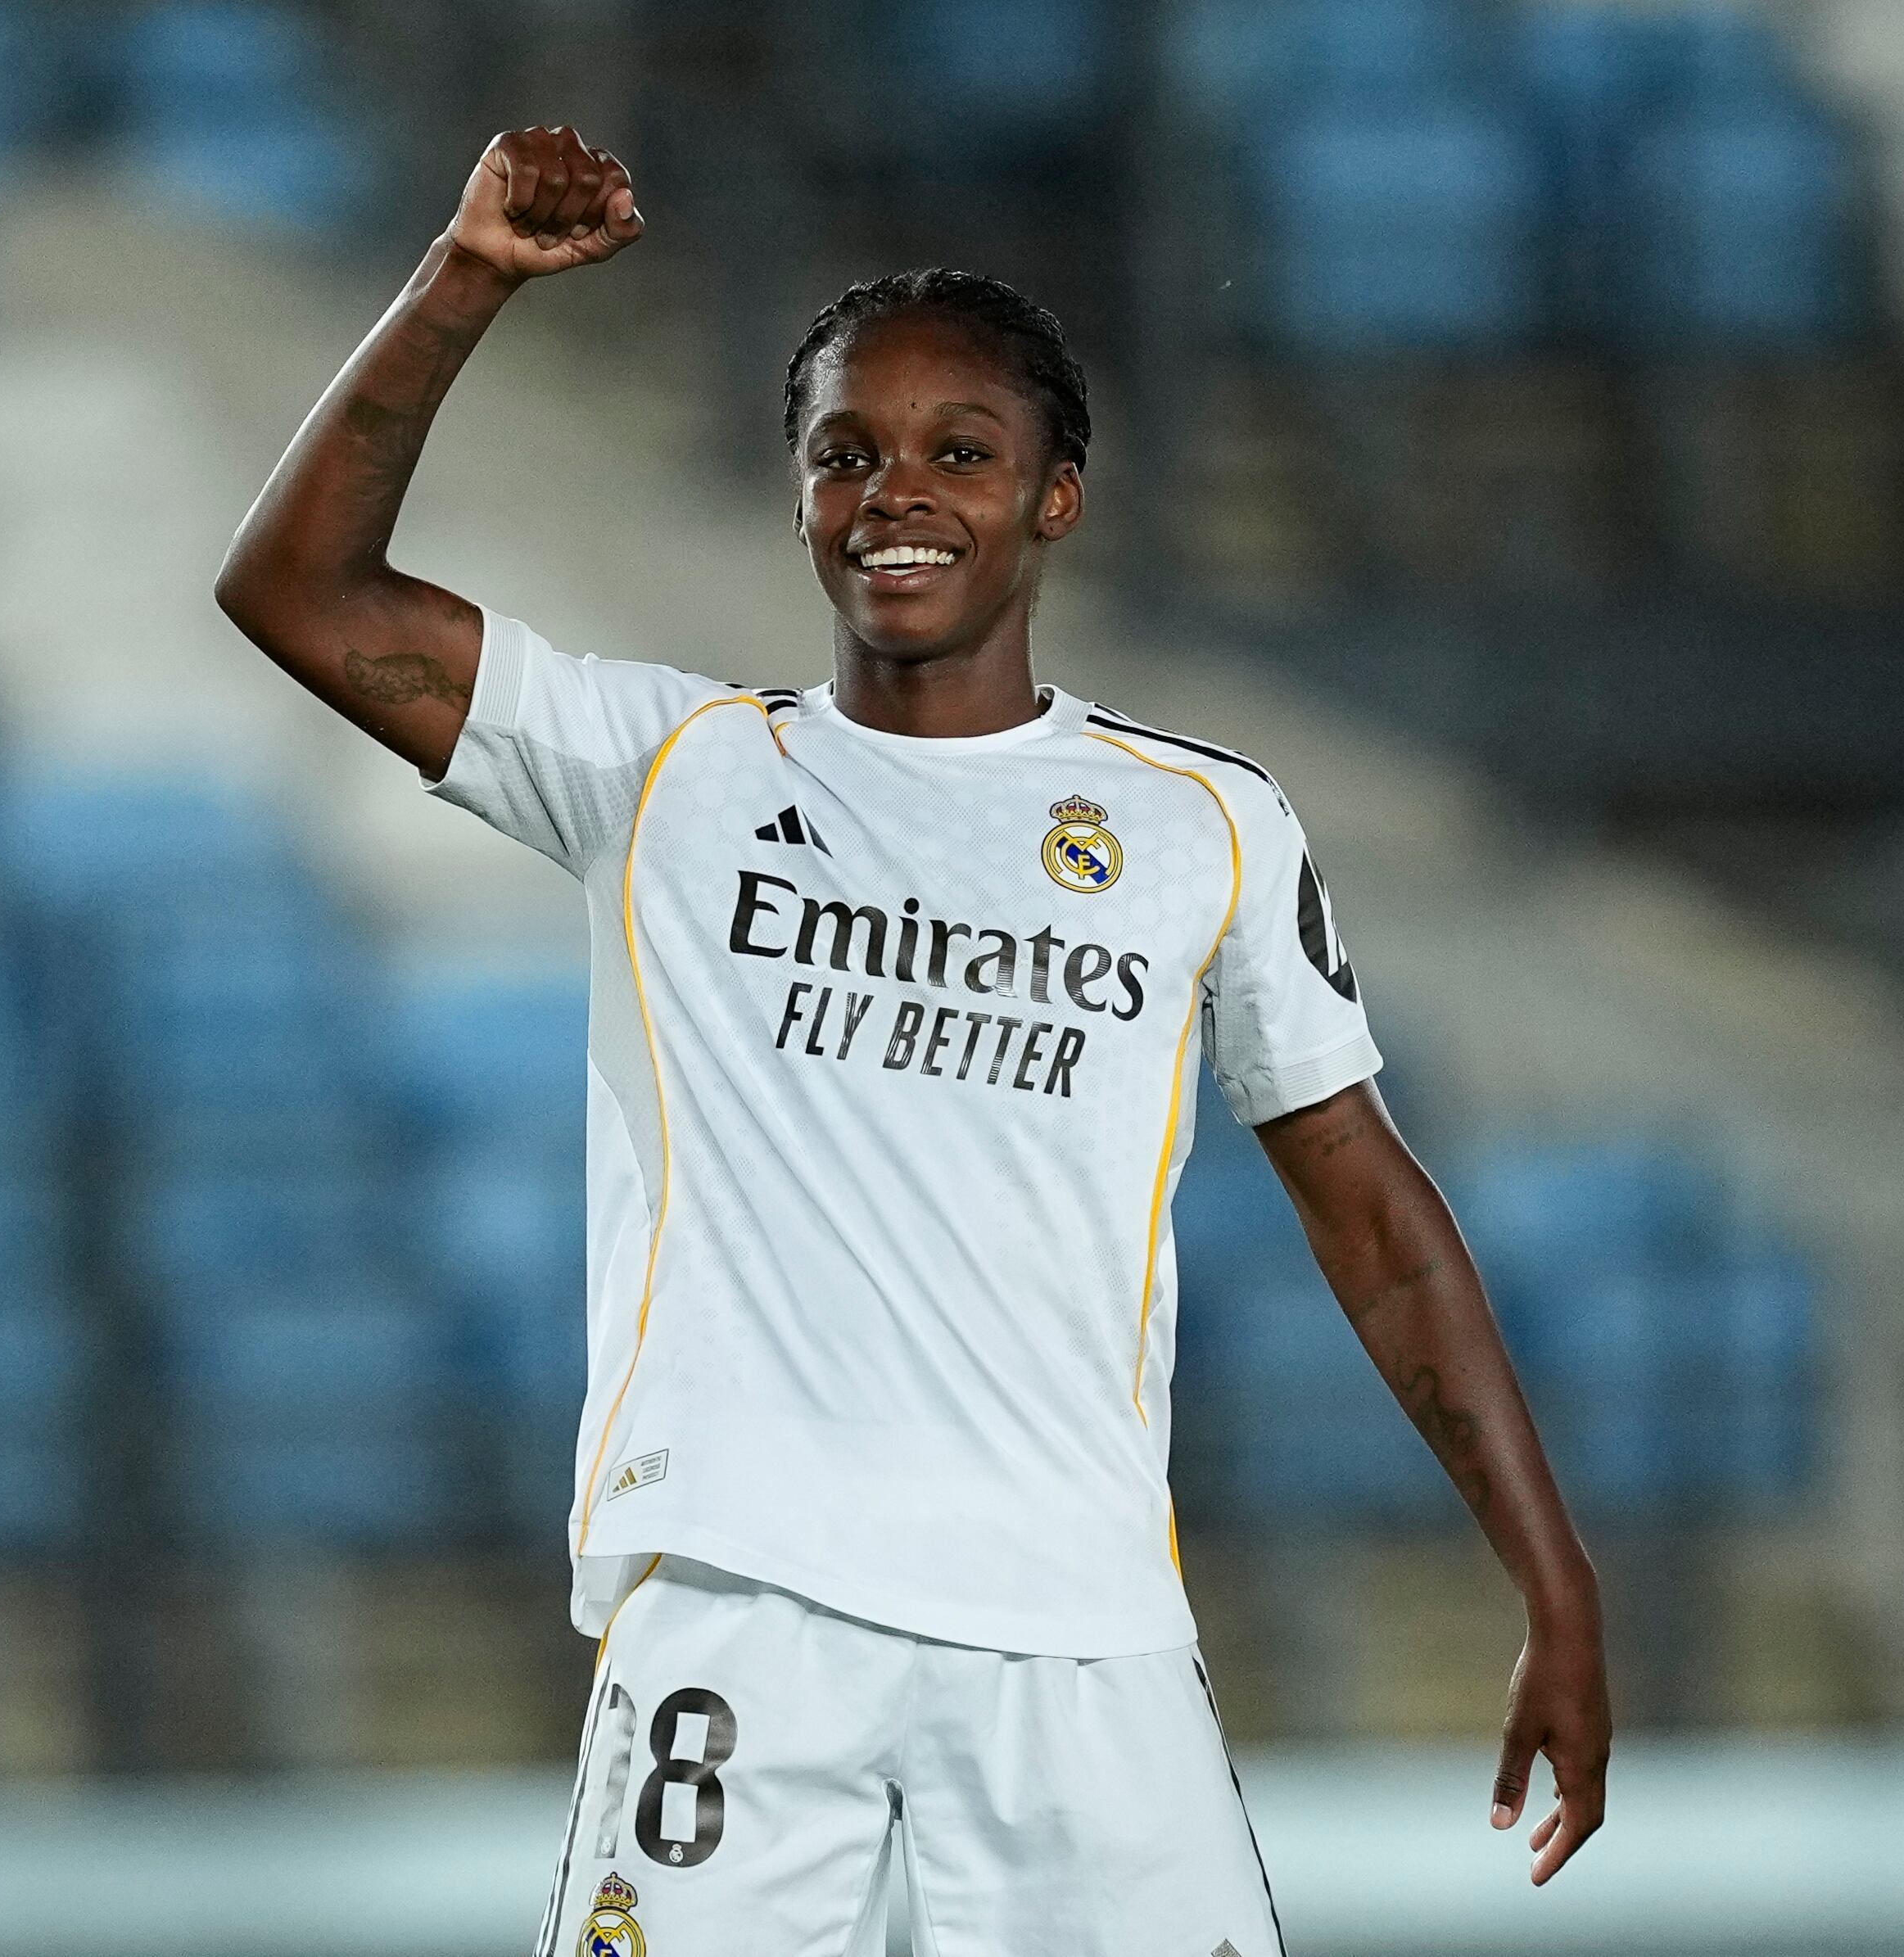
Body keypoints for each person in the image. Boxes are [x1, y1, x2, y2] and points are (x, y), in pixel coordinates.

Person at [215, 125, 1611, 1955]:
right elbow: (295, 590)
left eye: (960, 451)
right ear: (796, 496)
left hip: (1077, 1638)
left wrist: (1553, 1583)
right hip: (742, 1612)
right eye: (844, 451)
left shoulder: (1202, 825)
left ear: (1056, 499)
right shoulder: (662, 772)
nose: (896, 492)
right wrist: (463, 278)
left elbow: (1372, 1216)